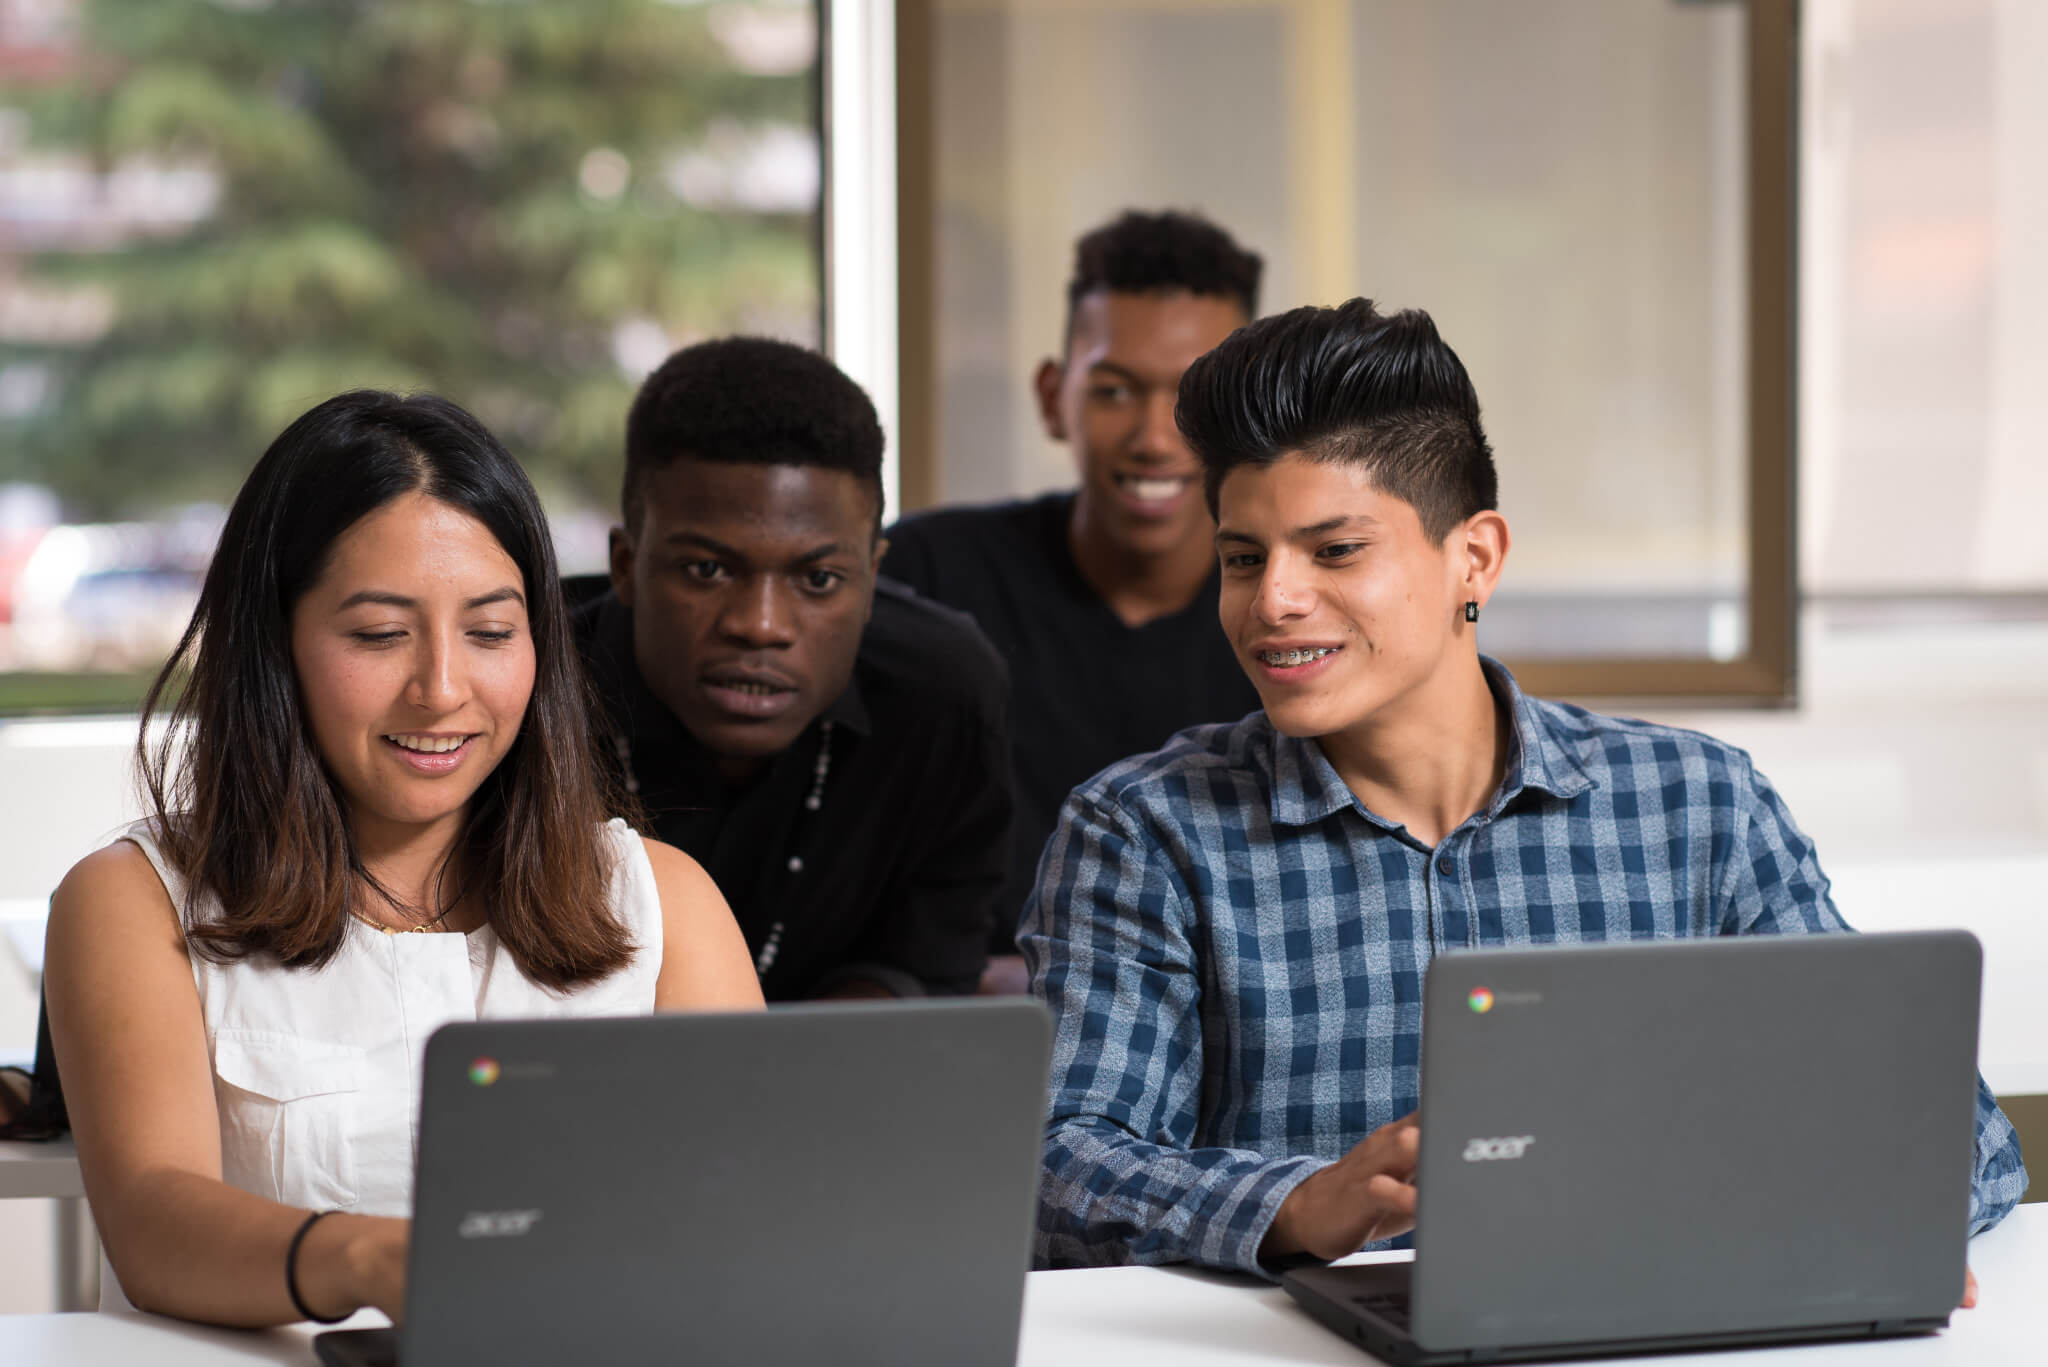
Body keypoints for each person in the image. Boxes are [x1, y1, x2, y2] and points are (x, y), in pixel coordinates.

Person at [1023, 298, 2028, 1285]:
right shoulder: (1141, 830)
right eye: (1243, 557)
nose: (1272, 598)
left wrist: (1877, 1208)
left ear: (1476, 556)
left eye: (1332, 550)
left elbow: (1944, 1117)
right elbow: (1057, 1160)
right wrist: (1301, 1203)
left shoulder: (1694, 807)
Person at [43, 391, 762, 1328]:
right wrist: (377, 1256)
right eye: (380, 634)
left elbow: (756, 1212)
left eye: (492, 632)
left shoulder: (660, 901)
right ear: (276, 643)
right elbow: (153, 1219)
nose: (443, 688)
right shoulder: (135, 902)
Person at [573, 337, 1012, 1001]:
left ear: (872, 579)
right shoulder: (521, 686)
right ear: (627, 565)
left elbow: (925, 971)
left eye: (818, 578)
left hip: (841, 1092)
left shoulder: (940, 698)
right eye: (707, 569)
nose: (762, 624)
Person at [884, 210, 1264, 975]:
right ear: (1054, 397)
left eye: (1196, 396)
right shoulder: (924, 577)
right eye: (1116, 390)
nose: (1157, 436)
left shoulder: (1296, 616)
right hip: (978, 1040)